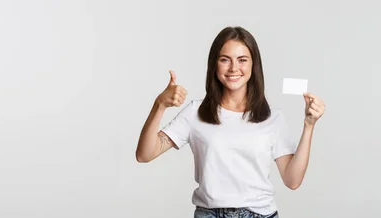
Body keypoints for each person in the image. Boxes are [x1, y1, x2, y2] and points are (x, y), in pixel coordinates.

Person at [135, 26, 326, 218]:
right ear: (214, 64)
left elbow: (292, 180)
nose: (234, 68)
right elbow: (145, 154)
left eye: (242, 60)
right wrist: (159, 105)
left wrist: (309, 125)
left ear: (254, 65)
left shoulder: (272, 118)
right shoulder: (196, 112)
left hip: (259, 214)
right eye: (225, 59)